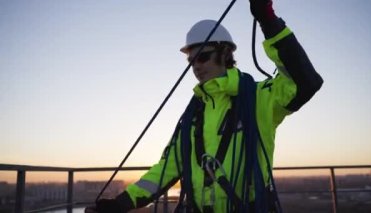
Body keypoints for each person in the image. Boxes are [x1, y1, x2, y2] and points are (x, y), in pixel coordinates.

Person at [86, 0, 323, 212]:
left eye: (203, 57)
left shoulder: (261, 99)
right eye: (191, 61)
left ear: (225, 53)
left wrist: (268, 19)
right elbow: (166, 170)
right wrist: (120, 204)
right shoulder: (192, 116)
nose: (196, 66)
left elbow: (305, 82)